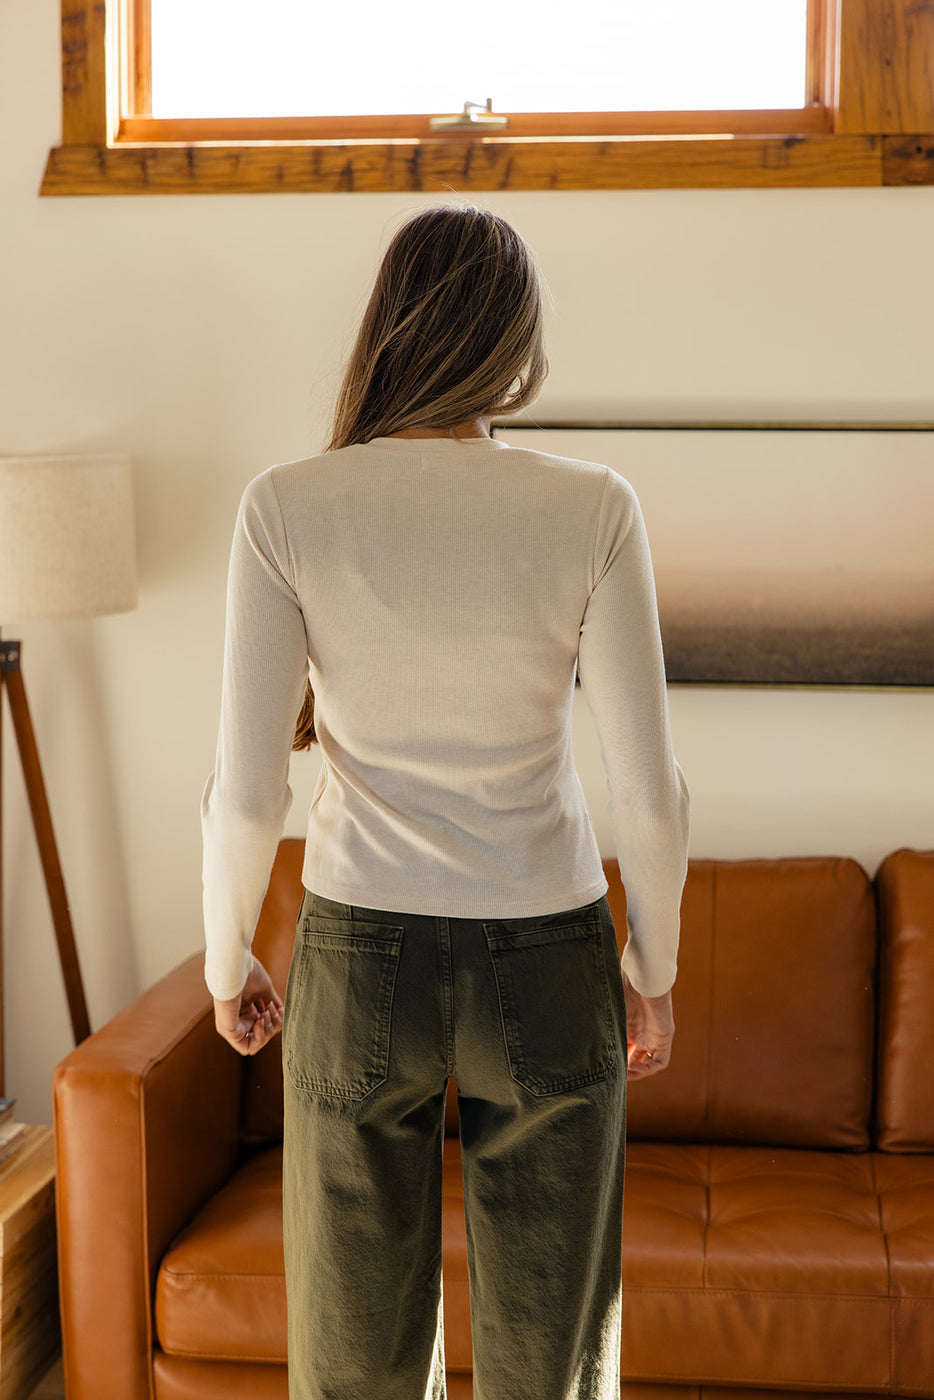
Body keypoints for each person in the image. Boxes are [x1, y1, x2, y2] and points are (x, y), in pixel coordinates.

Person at [202, 203, 689, 1400]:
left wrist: (227, 965)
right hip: (549, 952)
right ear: (515, 348)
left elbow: (244, 790)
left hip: (359, 950)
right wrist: (653, 965)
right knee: (555, 1355)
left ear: (385, 329)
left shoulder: (286, 503)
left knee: (351, 1358)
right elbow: (652, 796)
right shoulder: (592, 505)